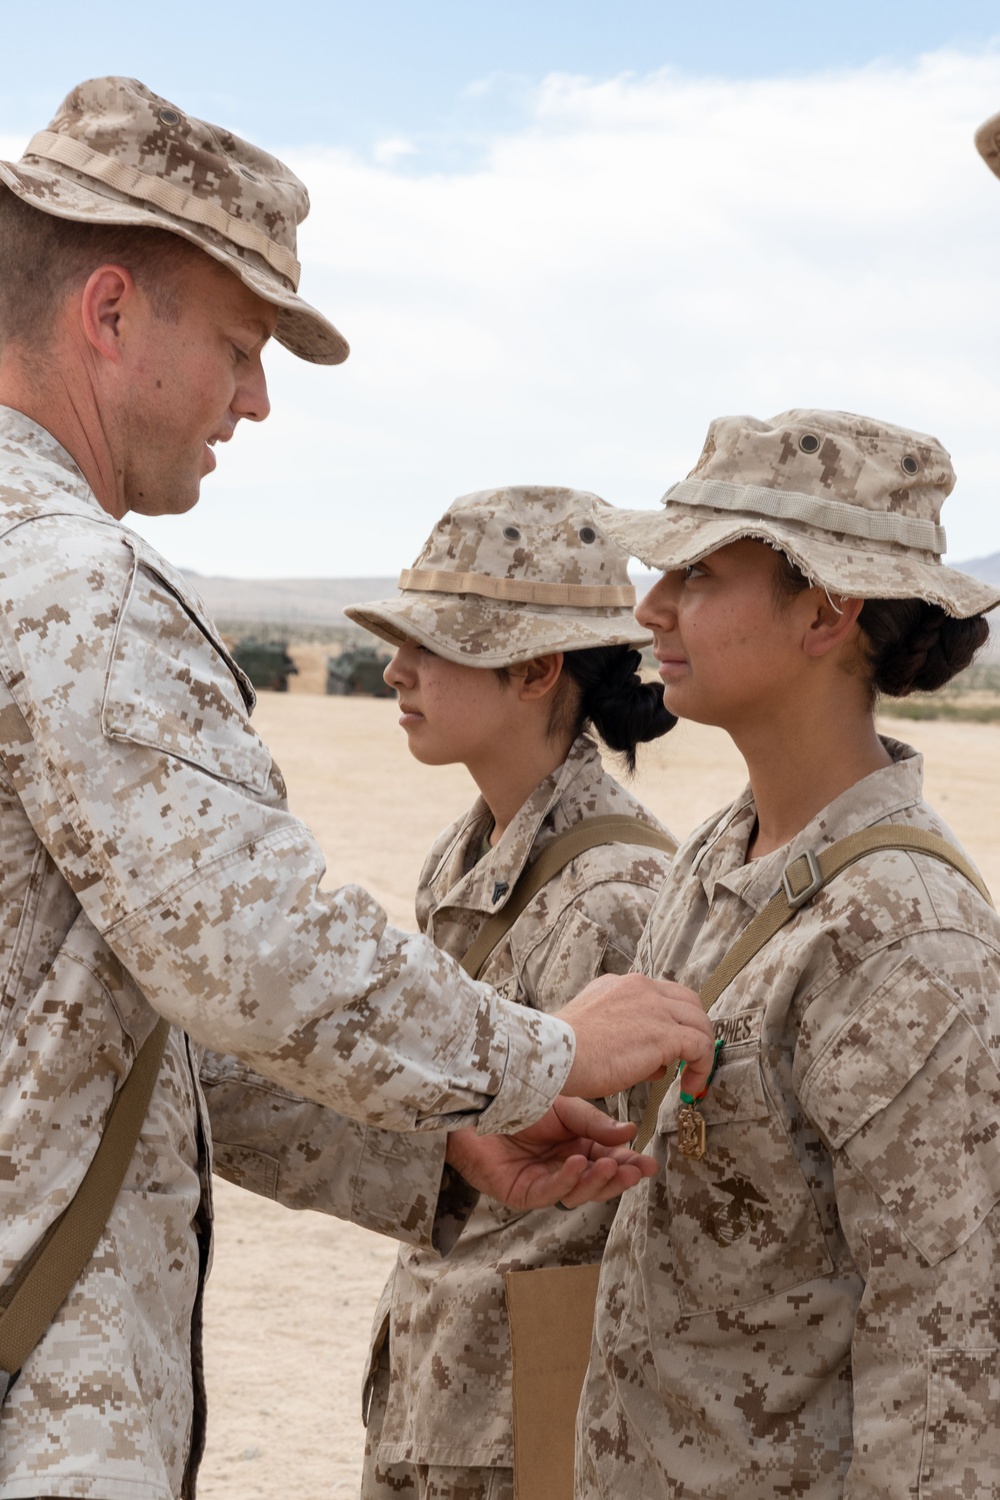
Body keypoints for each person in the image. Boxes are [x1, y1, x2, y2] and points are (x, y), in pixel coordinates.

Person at [0, 79, 717, 1500]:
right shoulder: (69, 586)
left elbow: (113, 1037)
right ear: (110, 312)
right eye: (243, 347)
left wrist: (440, 1151)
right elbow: (251, 957)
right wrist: (544, 1055)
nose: (255, 401)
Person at [574, 409, 1000, 1498]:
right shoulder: (723, 853)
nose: (650, 606)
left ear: (826, 612)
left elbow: (944, 1390)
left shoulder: (909, 946)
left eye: (701, 574)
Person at [345, 485, 677, 1500]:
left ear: (536, 669)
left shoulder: (615, 894)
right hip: (439, 1381)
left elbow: (625, 1204)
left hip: (528, 1419)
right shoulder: (468, 856)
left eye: (433, 643)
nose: (397, 668)